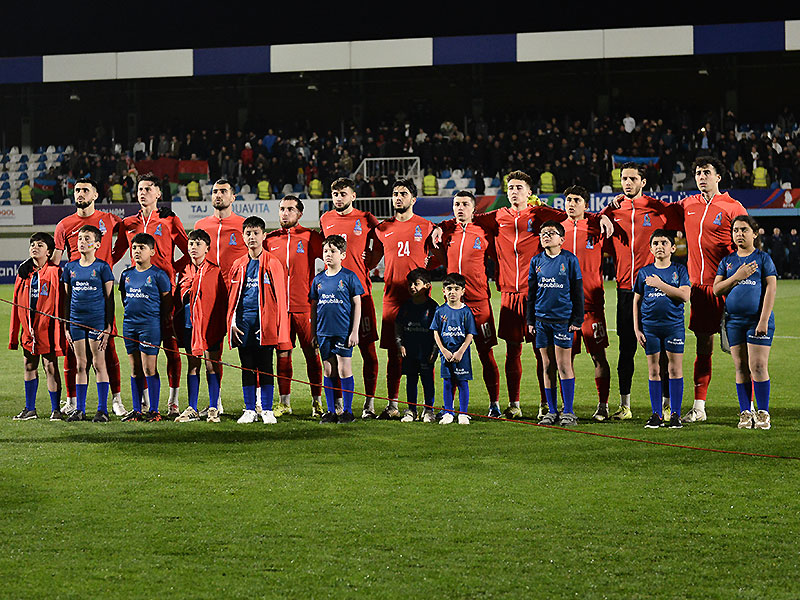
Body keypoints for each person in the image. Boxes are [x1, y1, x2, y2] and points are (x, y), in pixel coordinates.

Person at [601, 162, 678, 420]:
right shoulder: (614, 210)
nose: (627, 183)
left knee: (662, 351)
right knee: (626, 350)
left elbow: (682, 217)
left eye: (633, 178)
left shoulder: (657, 208)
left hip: (654, 288)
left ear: (643, 182)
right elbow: (592, 220)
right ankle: (625, 406)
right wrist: (603, 213)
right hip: (625, 290)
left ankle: (666, 405)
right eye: (624, 178)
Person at [674, 157, 747, 422]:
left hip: (729, 288)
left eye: (706, 172)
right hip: (700, 289)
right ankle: (699, 408)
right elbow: (656, 211)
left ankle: (748, 409)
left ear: (718, 177)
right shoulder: (687, 205)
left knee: (740, 352)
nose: (701, 176)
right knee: (703, 347)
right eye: (698, 173)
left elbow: (747, 244)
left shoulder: (732, 206)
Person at [113, 174, 189, 418]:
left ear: (158, 193)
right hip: (139, 293)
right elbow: (115, 253)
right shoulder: (128, 223)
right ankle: (143, 404)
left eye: (148, 189)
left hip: (166, 292)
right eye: (140, 189)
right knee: (139, 355)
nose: (143, 193)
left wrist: (172, 269)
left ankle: (173, 400)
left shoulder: (169, 219)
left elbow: (188, 250)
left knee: (171, 347)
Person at [52, 177, 126, 418]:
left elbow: (129, 232)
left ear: (95, 195)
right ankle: (73, 401)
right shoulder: (64, 225)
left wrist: (112, 258)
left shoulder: (109, 219)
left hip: (99, 298)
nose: (80, 194)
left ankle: (115, 400)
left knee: (107, 349)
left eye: (85, 190)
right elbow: (55, 261)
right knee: (73, 354)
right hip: (76, 297)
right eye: (77, 190)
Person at [364, 179, 435, 419]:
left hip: (419, 302)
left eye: (403, 193)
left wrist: (426, 269)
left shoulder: (426, 226)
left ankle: (427, 407)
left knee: (424, 355)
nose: (398, 197)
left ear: (413, 199)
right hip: (392, 299)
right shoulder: (382, 229)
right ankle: (393, 405)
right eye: (395, 193)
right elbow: (371, 261)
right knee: (394, 354)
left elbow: (438, 256)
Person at [429, 190, 501, 416]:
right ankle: (449, 408)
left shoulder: (483, 231)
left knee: (485, 353)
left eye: (465, 204)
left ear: (473, 208)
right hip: (453, 306)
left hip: (479, 302)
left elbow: (498, 259)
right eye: (457, 204)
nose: (460, 208)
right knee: (450, 354)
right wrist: (439, 226)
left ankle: (494, 404)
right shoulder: (447, 232)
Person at [319, 177, 380, 418]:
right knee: (334, 356)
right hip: (334, 298)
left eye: (343, 193)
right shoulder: (326, 219)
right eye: (335, 194)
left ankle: (369, 403)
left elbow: (382, 241)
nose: (338, 198)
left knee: (368, 350)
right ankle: (338, 405)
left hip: (360, 294)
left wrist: (369, 262)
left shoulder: (366, 218)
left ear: (353, 196)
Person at [713, 215, 776, 430]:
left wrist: (763, 320)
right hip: (733, 321)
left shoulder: (763, 258)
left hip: (757, 321)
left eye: (744, 230)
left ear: (754, 234)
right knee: (740, 367)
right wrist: (737, 276)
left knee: (758, 366)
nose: (739, 234)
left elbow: (771, 289)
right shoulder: (727, 261)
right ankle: (746, 412)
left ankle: (763, 413)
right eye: (736, 230)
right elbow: (716, 289)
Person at [265, 195, 325, 418]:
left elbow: (332, 258)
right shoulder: (269, 240)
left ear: (300, 213)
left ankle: (317, 402)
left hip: (305, 307)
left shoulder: (310, 237)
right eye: (282, 209)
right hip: (280, 309)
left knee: (313, 354)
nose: (285, 213)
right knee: (283, 354)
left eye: (290, 209)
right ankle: (284, 403)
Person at [227, 216, 290, 425]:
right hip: (244, 323)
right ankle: (249, 409)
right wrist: (232, 322)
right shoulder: (238, 264)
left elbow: (281, 298)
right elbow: (232, 298)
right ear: (243, 237)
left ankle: (267, 409)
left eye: (256, 233)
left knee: (265, 366)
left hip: (266, 323)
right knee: (246, 366)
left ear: (264, 235)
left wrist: (279, 328)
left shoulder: (273, 263)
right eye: (248, 233)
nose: (252, 237)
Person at [561, 186, 612, 421]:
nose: (571, 204)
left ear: (586, 205)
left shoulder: (596, 229)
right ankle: (567, 408)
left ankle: (603, 406)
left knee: (598, 356)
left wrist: (600, 217)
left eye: (577, 200)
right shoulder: (557, 230)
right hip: (563, 308)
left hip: (592, 305)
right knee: (565, 359)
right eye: (568, 200)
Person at [526, 221, 584, 426]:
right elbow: (531, 293)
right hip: (542, 320)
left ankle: (568, 411)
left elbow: (577, 291)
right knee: (547, 365)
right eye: (543, 233)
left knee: (563, 365)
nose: (546, 236)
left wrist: (577, 319)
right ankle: (551, 411)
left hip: (563, 321)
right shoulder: (536, 261)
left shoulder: (569, 260)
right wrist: (530, 320)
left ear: (562, 239)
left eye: (551, 233)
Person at [632, 230, 691, 429]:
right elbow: (636, 300)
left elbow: (684, 295)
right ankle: (656, 414)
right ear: (650, 249)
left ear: (673, 248)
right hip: (650, 328)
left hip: (674, 327)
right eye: (655, 243)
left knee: (674, 369)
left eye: (664, 243)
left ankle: (675, 414)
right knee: (654, 369)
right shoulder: (644, 272)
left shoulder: (679, 270)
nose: (659, 246)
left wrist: (659, 284)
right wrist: (637, 328)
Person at [60, 226, 115, 422]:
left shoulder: (102, 267)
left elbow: (109, 299)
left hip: (96, 322)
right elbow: (66, 299)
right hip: (76, 322)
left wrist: (108, 326)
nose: (82, 242)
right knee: (80, 364)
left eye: (87, 239)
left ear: (97, 244)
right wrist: (67, 326)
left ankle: (102, 410)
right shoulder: (70, 268)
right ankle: (80, 410)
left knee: (99, 363)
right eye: (80, 238)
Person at [9, 233, 65, 421]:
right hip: (29, 331)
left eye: (40, 245)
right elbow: (16, 305)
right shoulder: (24, 273)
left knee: (50, 366)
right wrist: (15, 334)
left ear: (49, 252)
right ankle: (30, 409)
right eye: (32, 244)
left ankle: (56, 409)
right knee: (29, 365)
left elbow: (62, 301)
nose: (35, 247)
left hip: (47, 330)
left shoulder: (55, 272)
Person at [118, 233, 173, 422]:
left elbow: (167, 304)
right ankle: (137, 410)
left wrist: (157, 320)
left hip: (150, 326)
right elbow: (124, 299)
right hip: (129, 325)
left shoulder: (159, 275)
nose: (137, 251)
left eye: (142, 247)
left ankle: (154, 410)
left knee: (149, 368)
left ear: (152, 251)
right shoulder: (126, 275)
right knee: (135, 369)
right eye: (134, 247)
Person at [174, 229, 227, 423]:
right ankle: (192, 408)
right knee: (193, 365)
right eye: (191, 244)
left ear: (207, 248)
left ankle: (213, 407)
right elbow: (180, 297)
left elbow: (221, 300)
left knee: (211, 365)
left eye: (198, 244)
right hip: (190, 325)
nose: (193, 247)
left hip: (210, 325)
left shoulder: (215, 271)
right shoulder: (185, 270)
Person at [310, 235, 363, 424]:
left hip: (343, 332)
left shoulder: (349, 277)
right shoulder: (318, 279)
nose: (328, 254)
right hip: (323, 332)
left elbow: (357, 304)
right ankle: (331, 411)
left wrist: (354, 331)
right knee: (328, 370)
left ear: (342, 255)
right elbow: (314, 308)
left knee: (343, 368)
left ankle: (347, 411)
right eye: (326, 251)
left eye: (333, 251)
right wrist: (313, 333)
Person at [430, 273, 476, 425]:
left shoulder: (466, 312)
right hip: (446, 354)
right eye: (449, 288)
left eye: (456, 289)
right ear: (444, 291)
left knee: (462, 382)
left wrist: (461, 351)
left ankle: (463, 413)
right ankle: (448, 412)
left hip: (461, 354)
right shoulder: (440, 311)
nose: (452, 292)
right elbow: (435, 332)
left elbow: (470, 334)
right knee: (448, 382)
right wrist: (443, 350)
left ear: (463, 291)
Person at [395, 268, 439, 423]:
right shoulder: (406, 306)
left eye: (416, 284)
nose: (412, 287)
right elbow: (398, 325)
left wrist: (435, 350)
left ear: (427, 286)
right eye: (410, 284)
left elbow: (437, 331)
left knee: (427, 380)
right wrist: (400, 344)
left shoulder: (433, 307)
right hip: (410, 351)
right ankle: (411, 410)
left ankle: (429, 410)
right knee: (411, 379)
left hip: (426, 351)